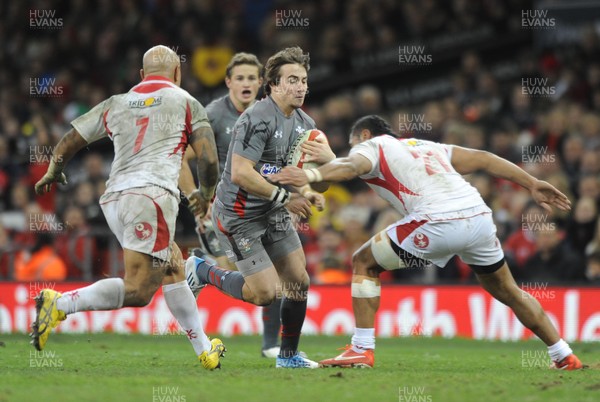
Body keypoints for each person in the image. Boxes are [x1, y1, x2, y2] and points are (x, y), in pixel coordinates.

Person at [271, 115, 583, 370]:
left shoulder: (371, 145)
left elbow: (351, 166)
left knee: (363, 261)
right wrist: (531, 183)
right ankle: (563, 353)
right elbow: (485, 159)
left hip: (438, 220)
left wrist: (310, 178)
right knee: (509, 290)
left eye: (355, 144)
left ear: (364, 134)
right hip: (478, 218)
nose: (354, 150)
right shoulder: (427, 146)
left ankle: (361, 349)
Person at [31, 46, 226, 370]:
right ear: (177, 73)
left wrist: (54, 168)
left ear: (141, 75)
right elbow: (207, 158)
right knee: (139, 290)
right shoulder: (186, 102)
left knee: (174, 264)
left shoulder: (116, 102)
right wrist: (205, 193)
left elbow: (71, 138)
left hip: (114, 199)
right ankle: (60, 303)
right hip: (150, 198)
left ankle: (205, 351)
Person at [186, 46, 332, 368]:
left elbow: (317, 179)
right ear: (274, 85)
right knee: (264, 294)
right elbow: (241, 173)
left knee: (298, 282)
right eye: (292, 80)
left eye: (304, 80)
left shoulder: (306, 123)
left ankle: (288, 356)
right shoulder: (255, 118)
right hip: (239, 216)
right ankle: (201, 270)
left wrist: (324, 166)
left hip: (273, 212)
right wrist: (287, 198)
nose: (301, 87)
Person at [180, 52, 285, 357]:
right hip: (223, 208)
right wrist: (198, 198)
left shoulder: (270, 113)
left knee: (274, 271)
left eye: (252, 77)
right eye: (239, 78)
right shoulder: (212, 115)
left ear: (261, 82)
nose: (246, 83)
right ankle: (203, 267)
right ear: (228, 82)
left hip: (260, 205)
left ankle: (270, 345)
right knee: (248, 276)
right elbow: (181, 159)